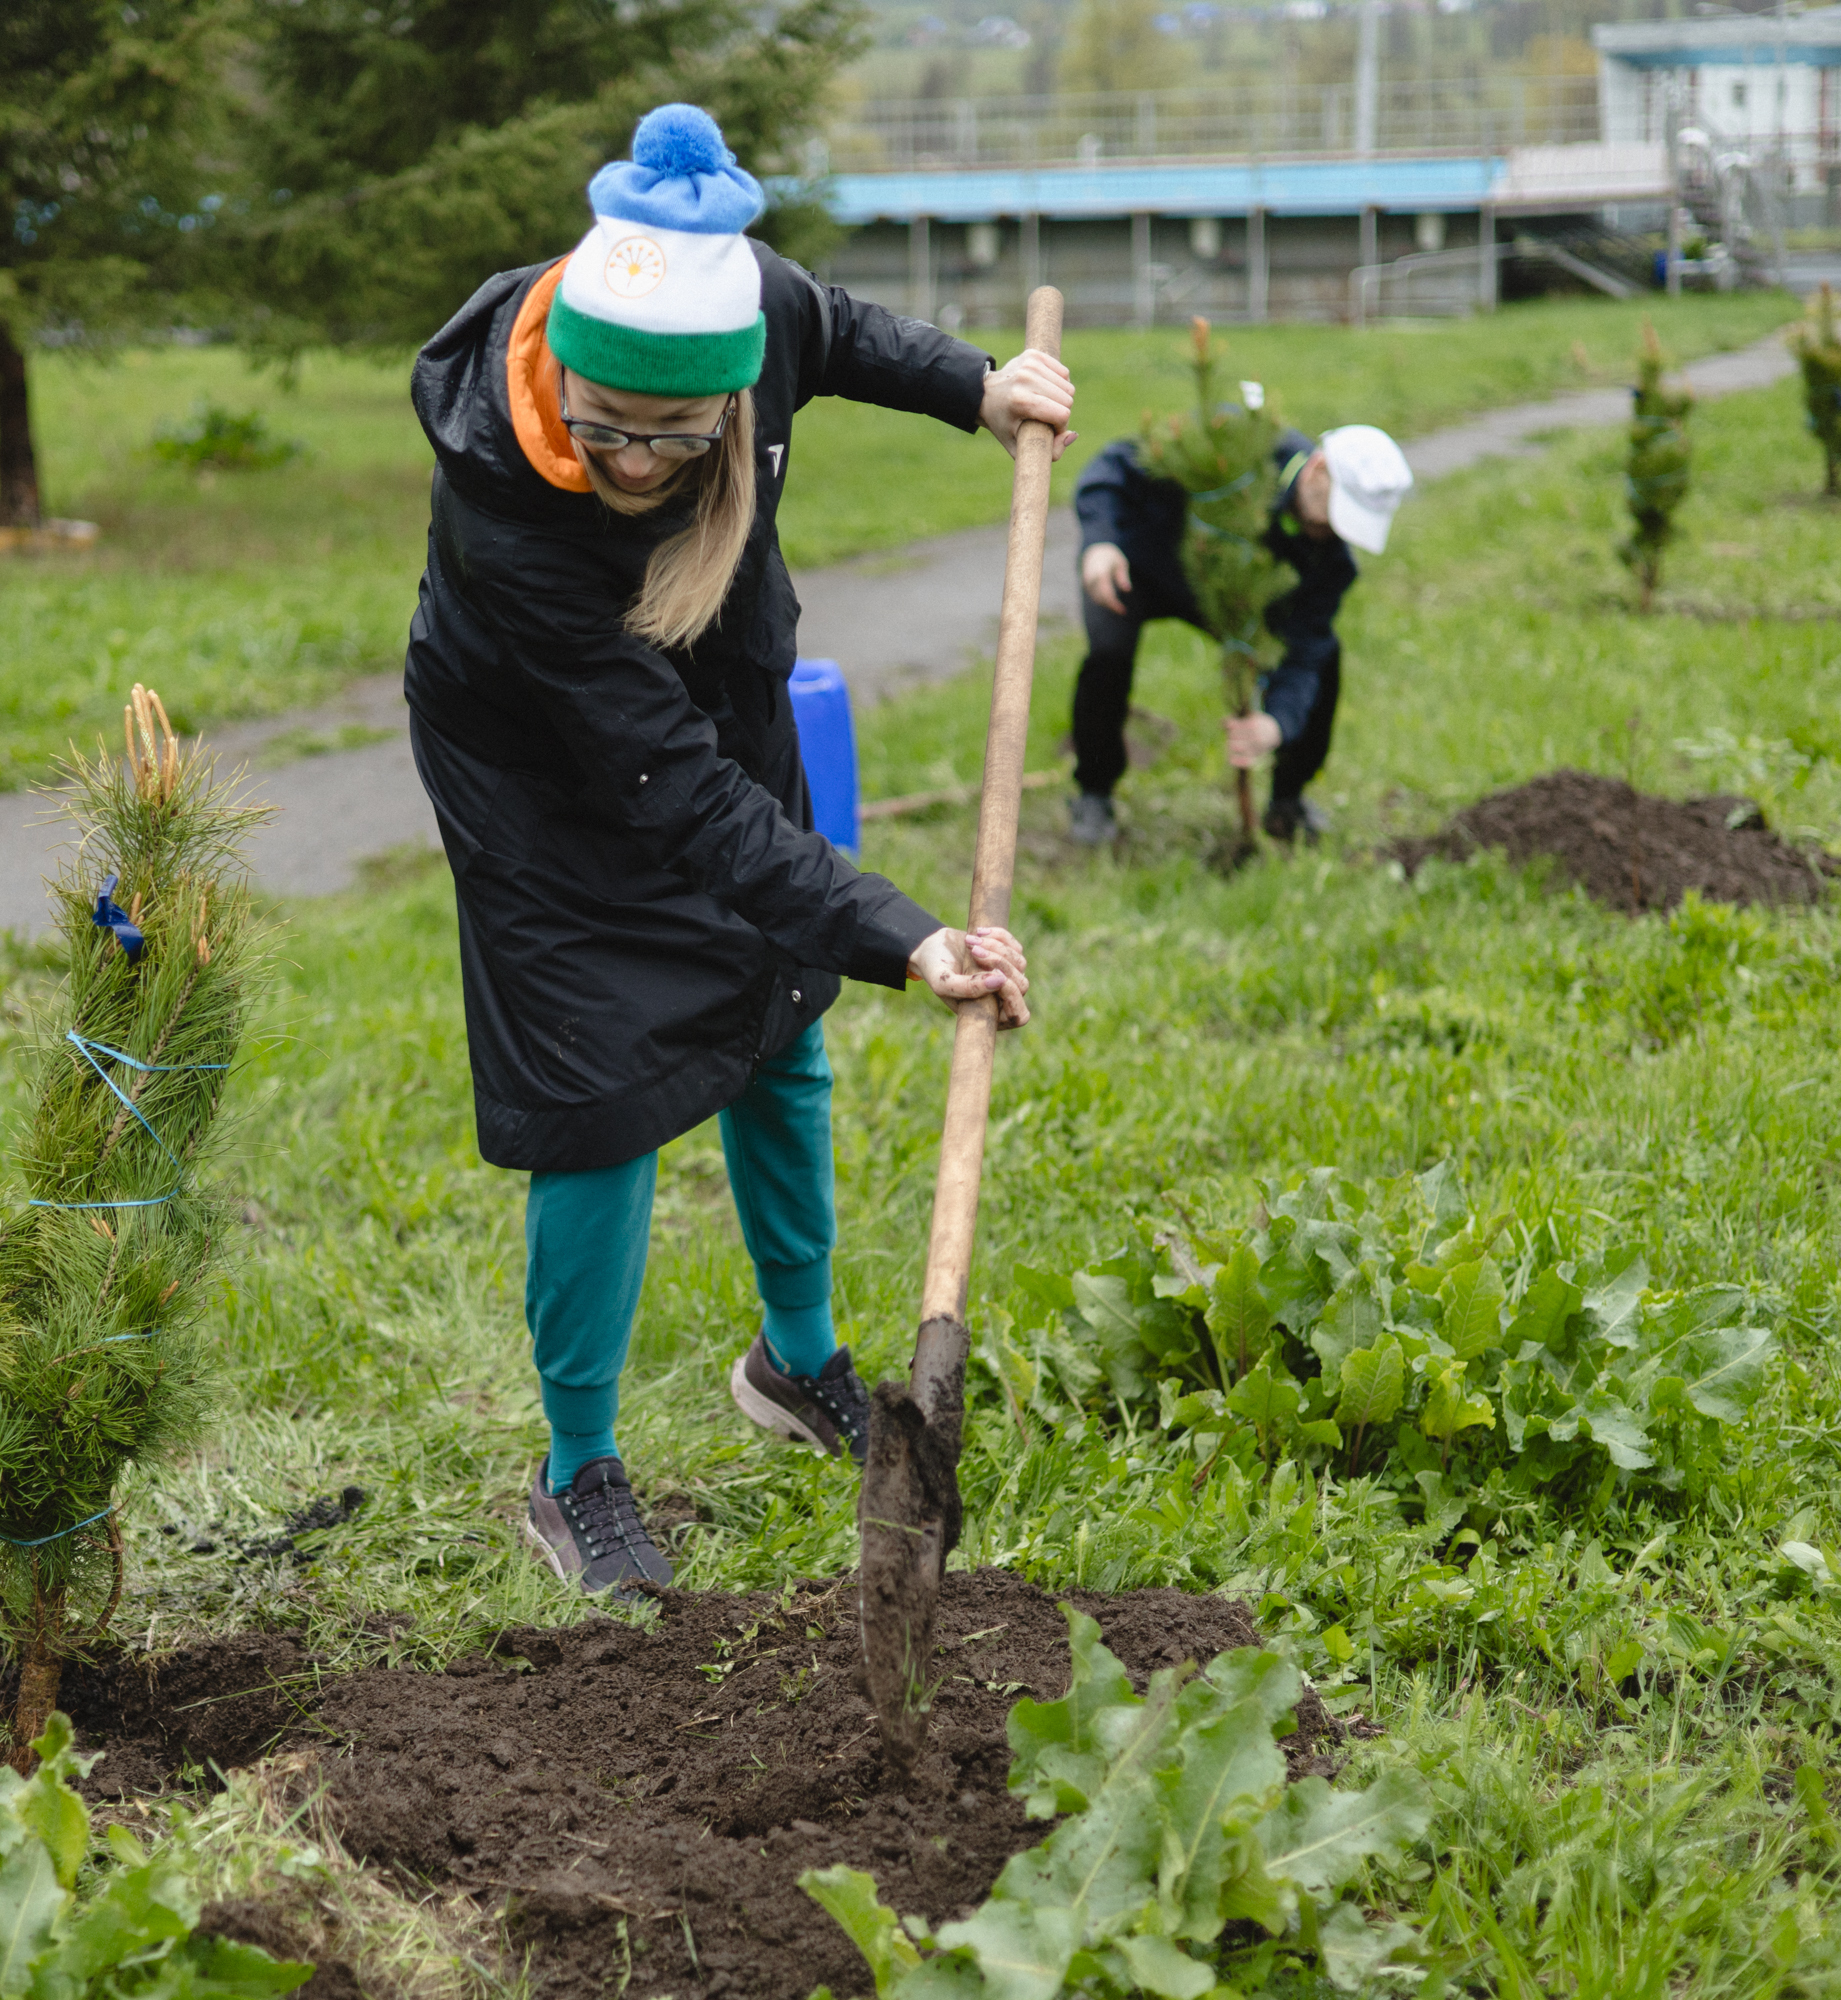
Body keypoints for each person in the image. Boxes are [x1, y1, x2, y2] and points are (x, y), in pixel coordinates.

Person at [404, 105, 1074, 1596]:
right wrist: (909, 937)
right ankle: (575, 1472)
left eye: (676, 433)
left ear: (730, 399)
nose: (635, 458)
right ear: (565, 366)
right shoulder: (510, 517)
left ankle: (796, 1359)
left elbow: (832, 326)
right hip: (541, 765)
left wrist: (980, 389)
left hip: (715, 684)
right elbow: (681, 799)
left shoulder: (748, 311)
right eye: (605, 422)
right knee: (600, 1092)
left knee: (781, 1017)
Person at [1066, 418, 1414, 845]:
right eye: (1339, 512)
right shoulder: (1238, 446)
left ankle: (1287, 801)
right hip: (1137, 566)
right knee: (1108, 654)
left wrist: (1277, 724)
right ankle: (1094, 792)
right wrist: (1100, 541)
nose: (1337, 532)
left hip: (1231, 600)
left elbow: (1303, 651)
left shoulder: (1330, 561)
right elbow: (1112, 468)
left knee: (1327, 660)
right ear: (1318, 469)